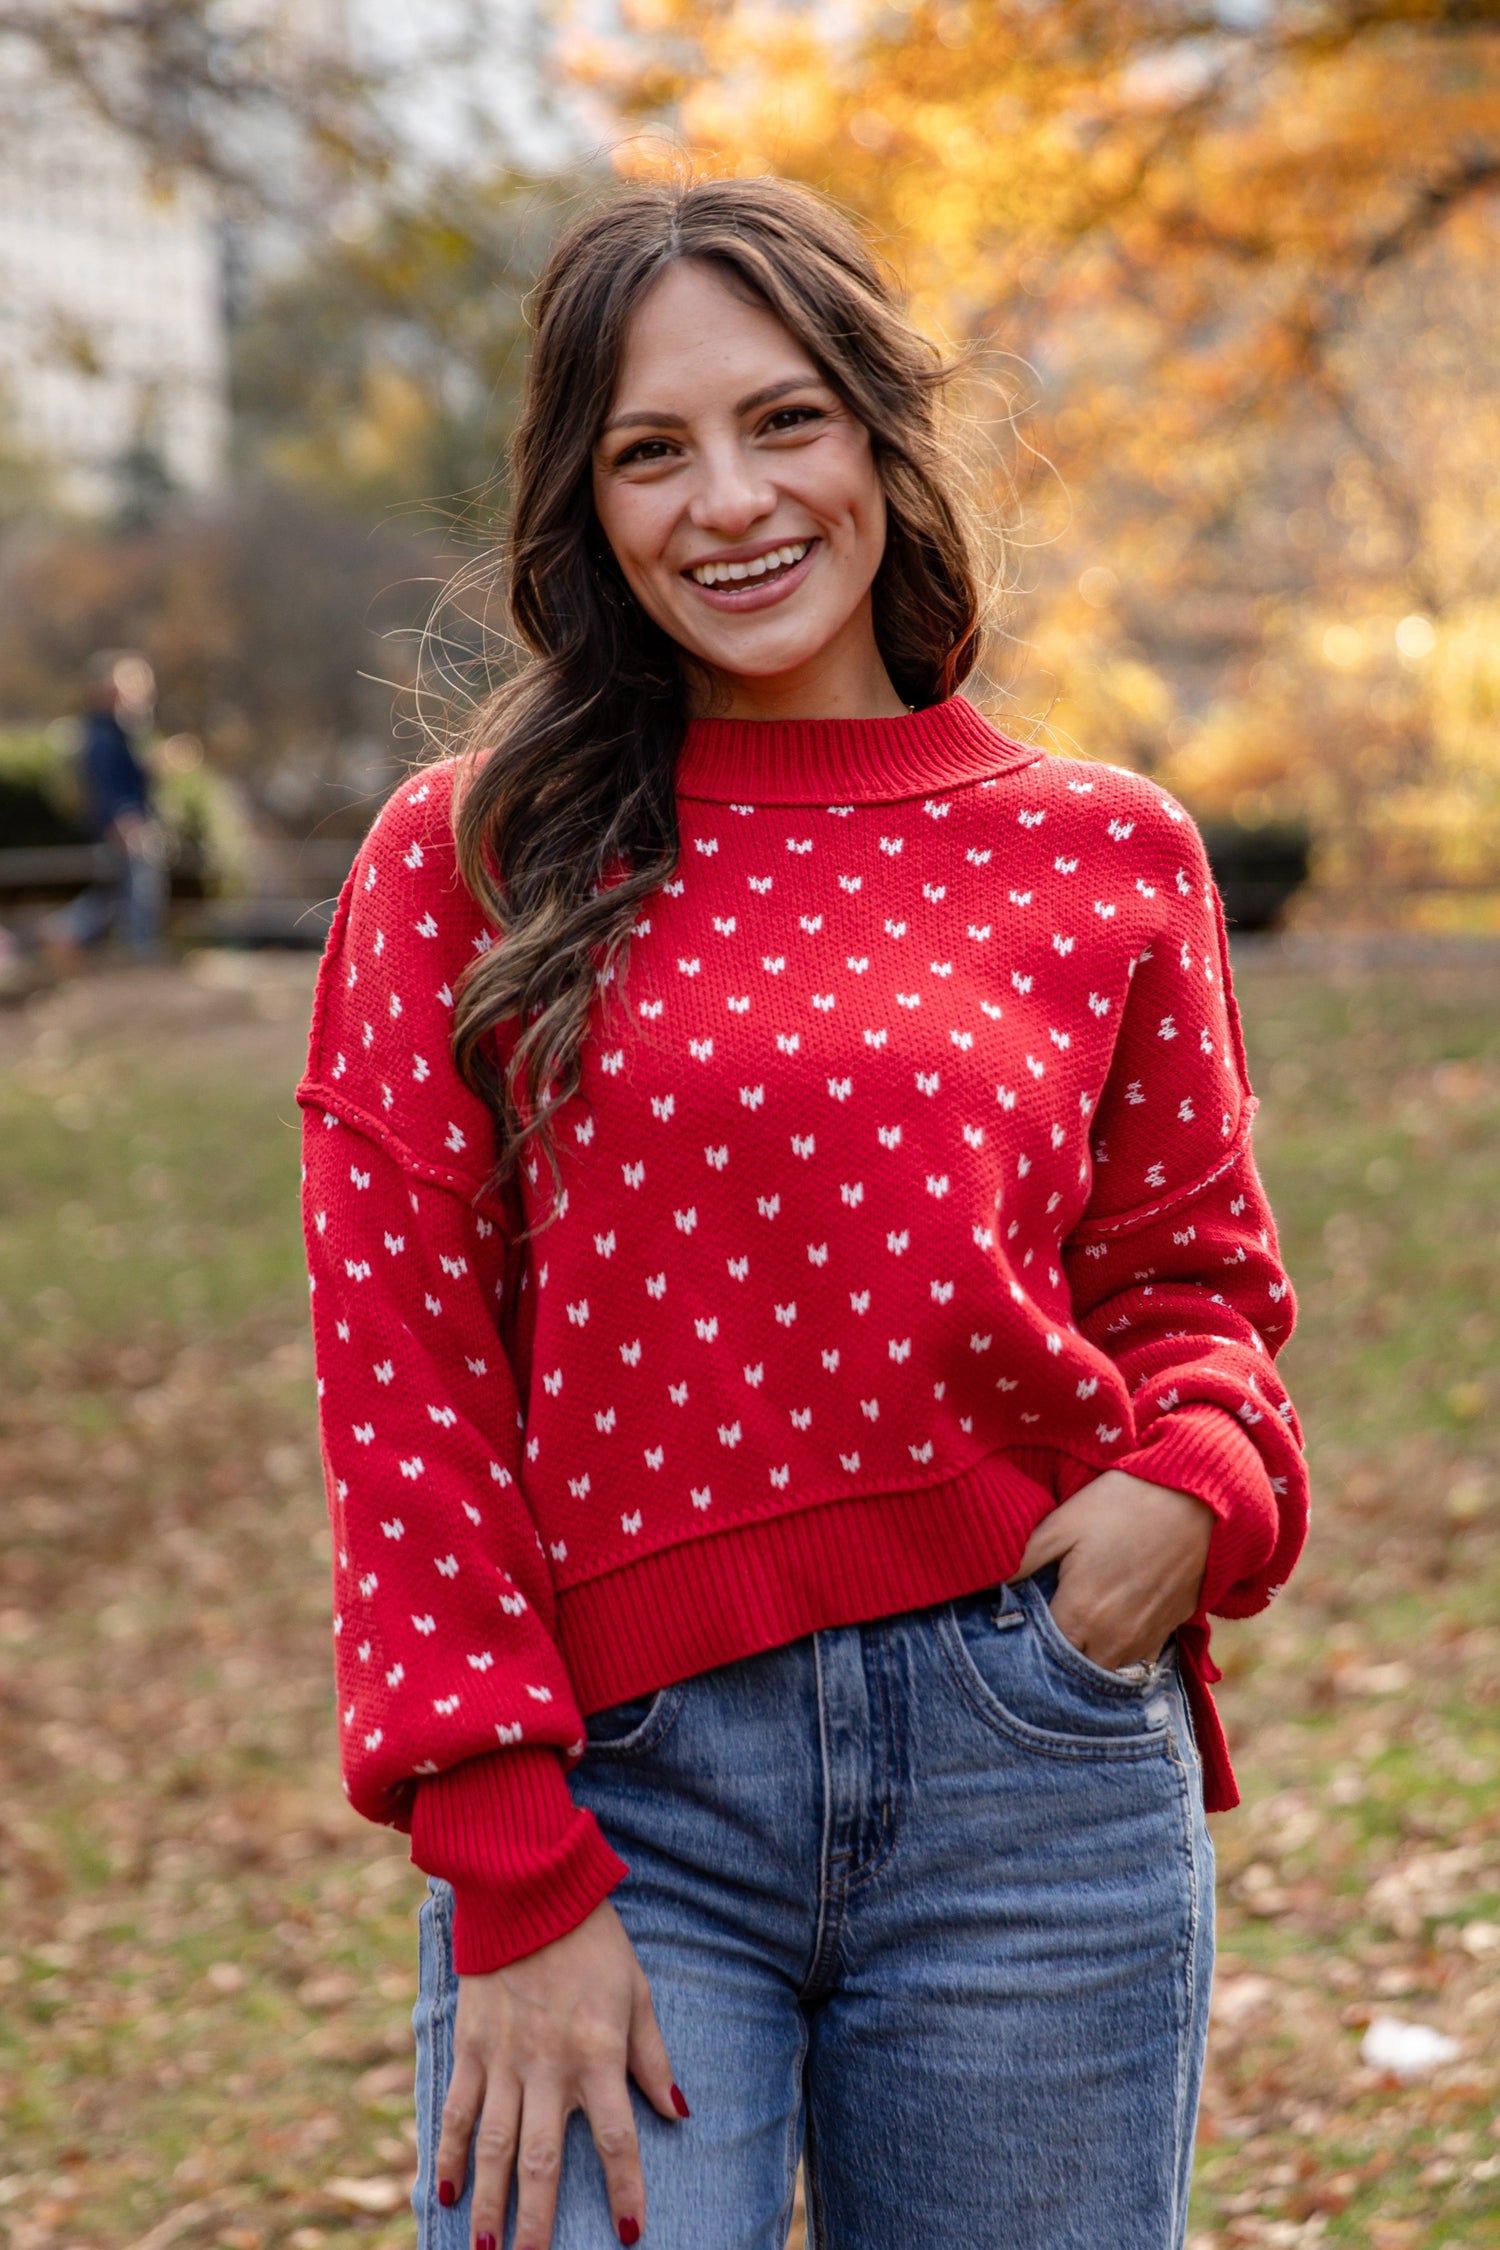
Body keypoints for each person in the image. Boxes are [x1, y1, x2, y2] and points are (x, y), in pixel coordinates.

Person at [297, 178, 1307, 2250]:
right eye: (650, 451)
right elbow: (407, 1380)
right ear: (585, 508)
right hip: (618, 1805)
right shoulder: (467, 858)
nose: (731, 501)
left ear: (879, 435)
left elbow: (1194, 1281)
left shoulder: (1108, 853)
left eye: (784, 422)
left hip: (1037, 1767)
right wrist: (509, 1861)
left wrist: (1201, 1476)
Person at [45, 651, 166, 960]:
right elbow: (105, 781)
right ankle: (128, 945)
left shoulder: (125, 729)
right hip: (122, 823)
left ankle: (69, 931)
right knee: (129, 887)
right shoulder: (102, 733)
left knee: (120, 888)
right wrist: (121, 817)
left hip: (129, 819)